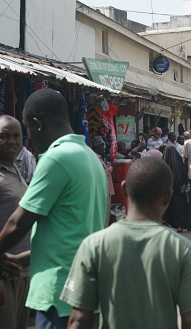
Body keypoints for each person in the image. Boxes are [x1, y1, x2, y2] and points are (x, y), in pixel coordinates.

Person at [61, 157, 191, 328]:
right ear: (168, 197)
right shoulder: (181, 249)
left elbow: (79, 320)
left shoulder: (94, 245)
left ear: (124, 189)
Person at [0, 89, 107, 327]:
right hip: (86, 289)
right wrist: (22, 260)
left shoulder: (55, 158)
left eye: (26, 128)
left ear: (37, 124)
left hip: (59, 292)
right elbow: (75, 231)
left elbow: (18, 224)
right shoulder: (89, 157)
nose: (26, 137)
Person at [0, 115, 31, 329]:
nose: (12, 141)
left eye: (16, 136)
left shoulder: (15, 168)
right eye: (3, 136)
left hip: (22, 272)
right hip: (4, 276)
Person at [91, 136, 115, 227]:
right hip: (103, 190)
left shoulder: (99, 158)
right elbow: (101, 173)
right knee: (104, 214)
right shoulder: (96, 158)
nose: (103, 148)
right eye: (102, 146)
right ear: (98, 147)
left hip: (106, 189)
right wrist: (111, 168)